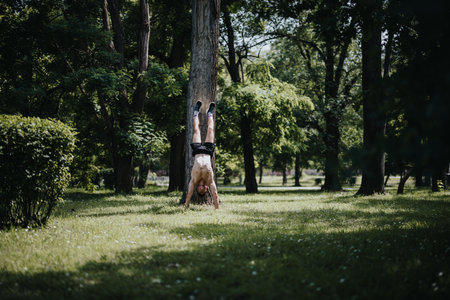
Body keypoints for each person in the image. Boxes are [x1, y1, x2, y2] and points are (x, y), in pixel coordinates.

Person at [185, 100, 219, 209]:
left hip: (198, 151)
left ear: (197, 190)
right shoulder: (210, 181)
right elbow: (215, 194)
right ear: (206, 189)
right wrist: (217, 206)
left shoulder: (193, 180)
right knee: (210, 130)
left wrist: (186, 204)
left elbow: (189, 193)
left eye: (201, 189)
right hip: (208, 151)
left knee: (196, 131)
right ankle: (210, 113)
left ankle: (196, 112)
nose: (203, 188)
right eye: (204, 189)